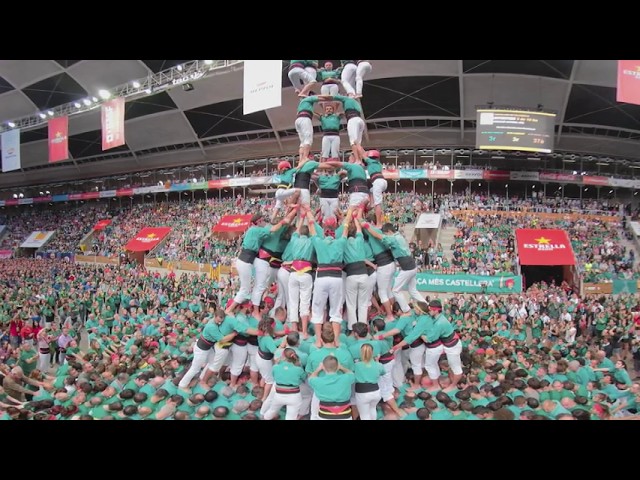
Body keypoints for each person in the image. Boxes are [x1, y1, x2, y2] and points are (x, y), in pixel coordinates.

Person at [225, 213, 288, 315]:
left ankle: (233, 309)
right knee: (245, 290)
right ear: (258, 221)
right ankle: (229, 310)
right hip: (245, 261)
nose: (265, 222)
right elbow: (272, 229)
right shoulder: (256, 230)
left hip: (246, 260)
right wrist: (282, 222)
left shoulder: (253, 229)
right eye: (263, 220)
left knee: (246, 289)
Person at [362, 222, 423, 315]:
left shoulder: (394, 238)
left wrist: (367, 227)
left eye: (386, 233)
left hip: (407, 268)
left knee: (395, 290)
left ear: (389, 231)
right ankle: (426, 306)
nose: (385, 235)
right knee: (413, 290)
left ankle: (406, 310)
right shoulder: (399, 236)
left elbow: (378, 236)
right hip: (412, 266)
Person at [308, 208, 347, 343]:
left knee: (318, 309)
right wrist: (351, 211)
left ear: (324, 229)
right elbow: (346, 227)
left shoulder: (319, 241)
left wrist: (308, 211)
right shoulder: (340, 241)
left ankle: (319, 340)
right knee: (336, 310)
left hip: (322, 277)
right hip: (336, 277)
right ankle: (336, 340)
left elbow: (311, 226)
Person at [263, 348, 307, 420]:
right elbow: (304, 378)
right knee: (291, 417)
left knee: (271, 411)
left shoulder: (275, 367)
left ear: (283, 355)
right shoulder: (298, 369)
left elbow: (274, 376)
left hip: (279, 395)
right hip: (294, 396)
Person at [308, 355, 355, 420]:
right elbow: (351, 373)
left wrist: (318, 369)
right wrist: (342, 367)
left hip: (324, 415)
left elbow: (311, 378)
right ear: (337, 366)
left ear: (323, 367)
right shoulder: (346, 378)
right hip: (345, 414)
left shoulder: (318, 381)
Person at [354, 343, 385, 420]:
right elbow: (383, 372)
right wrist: (377, 362)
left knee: (364, 415)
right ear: (372, 352)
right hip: (376, 392)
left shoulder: (357, 365)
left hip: (362, 393)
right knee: (372, 409)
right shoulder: (378, 365)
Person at [364, 150, 387, 227]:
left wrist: (356, 144)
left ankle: (379, 223)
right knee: (370, 190)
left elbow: (362, 153)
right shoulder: (379, 164)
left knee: (378, 204)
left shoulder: (370, 161)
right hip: (383, 181)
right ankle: (371, 203)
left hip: (377, 181)